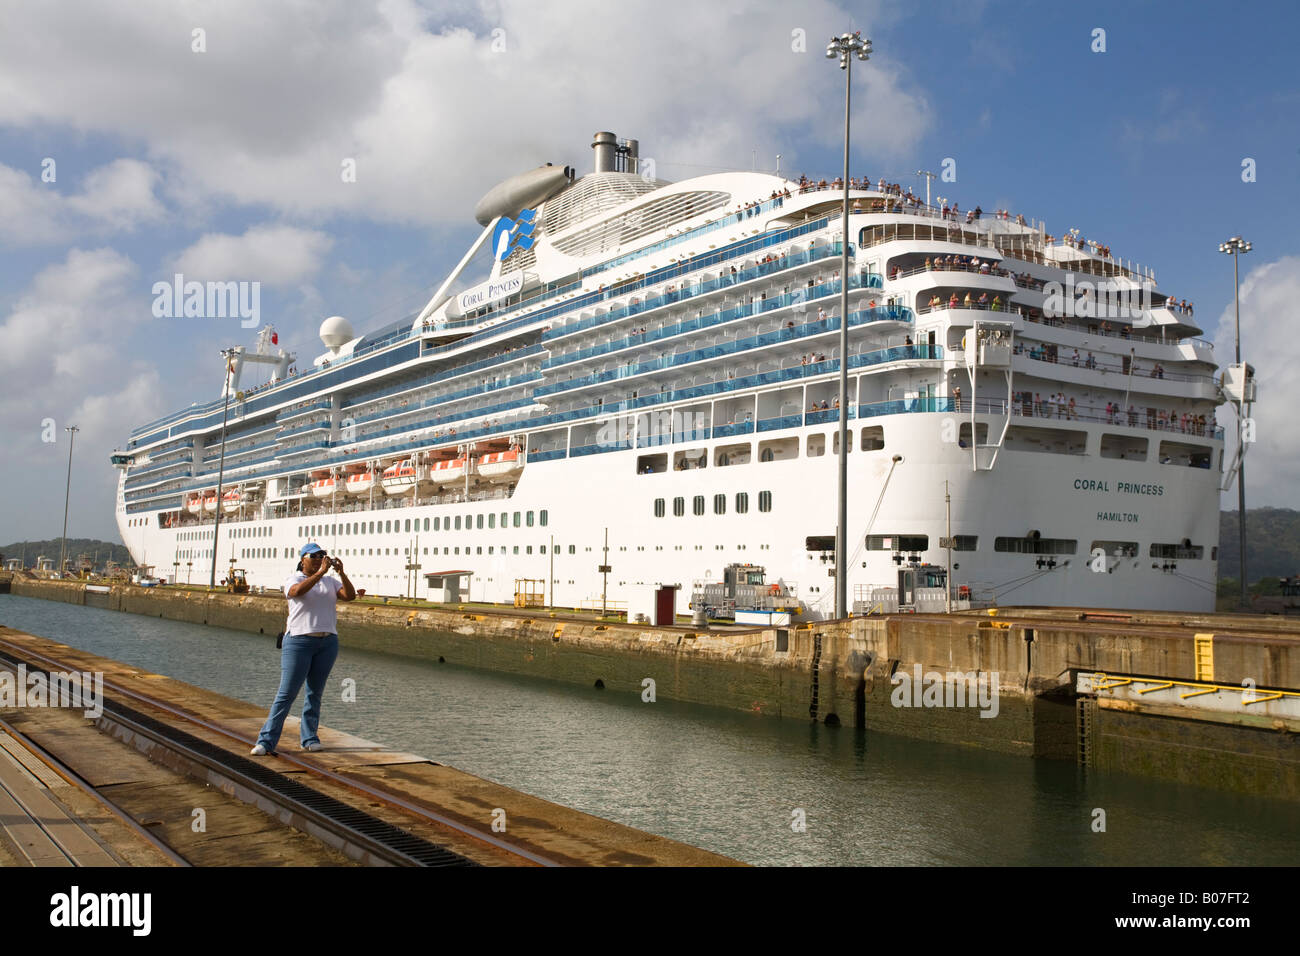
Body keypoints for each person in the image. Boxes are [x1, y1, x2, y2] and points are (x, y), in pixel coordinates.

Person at [251, 543, 356, 755]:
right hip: (299, 641)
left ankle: (309, 738)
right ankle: (266, 741)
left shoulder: (330, 581)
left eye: (322, 555)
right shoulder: (295, 578)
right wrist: (320, 573)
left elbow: (350, 596)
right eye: (314, 556)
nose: (319, 558)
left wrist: (342, 573)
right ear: (303, 560)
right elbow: (297, 592)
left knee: (314, 693)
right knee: (287, 693)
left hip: (327, 642)